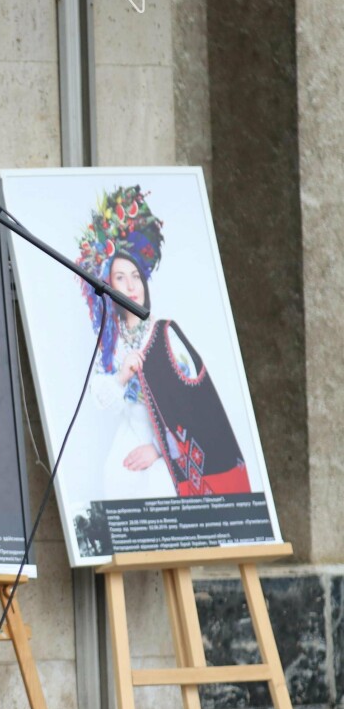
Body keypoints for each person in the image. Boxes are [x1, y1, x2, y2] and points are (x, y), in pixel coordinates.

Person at [79, 186, 249, 500]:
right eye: (119, 278)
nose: (130, 286)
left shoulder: (164, 333)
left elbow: (193, 403)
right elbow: (102, 400)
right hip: (127, 440)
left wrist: (160, 450)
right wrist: (123, 375)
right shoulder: (111, 341)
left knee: (160, 491)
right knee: (114, 482)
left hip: (169, 451)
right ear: (108, 284)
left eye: (135, 276)